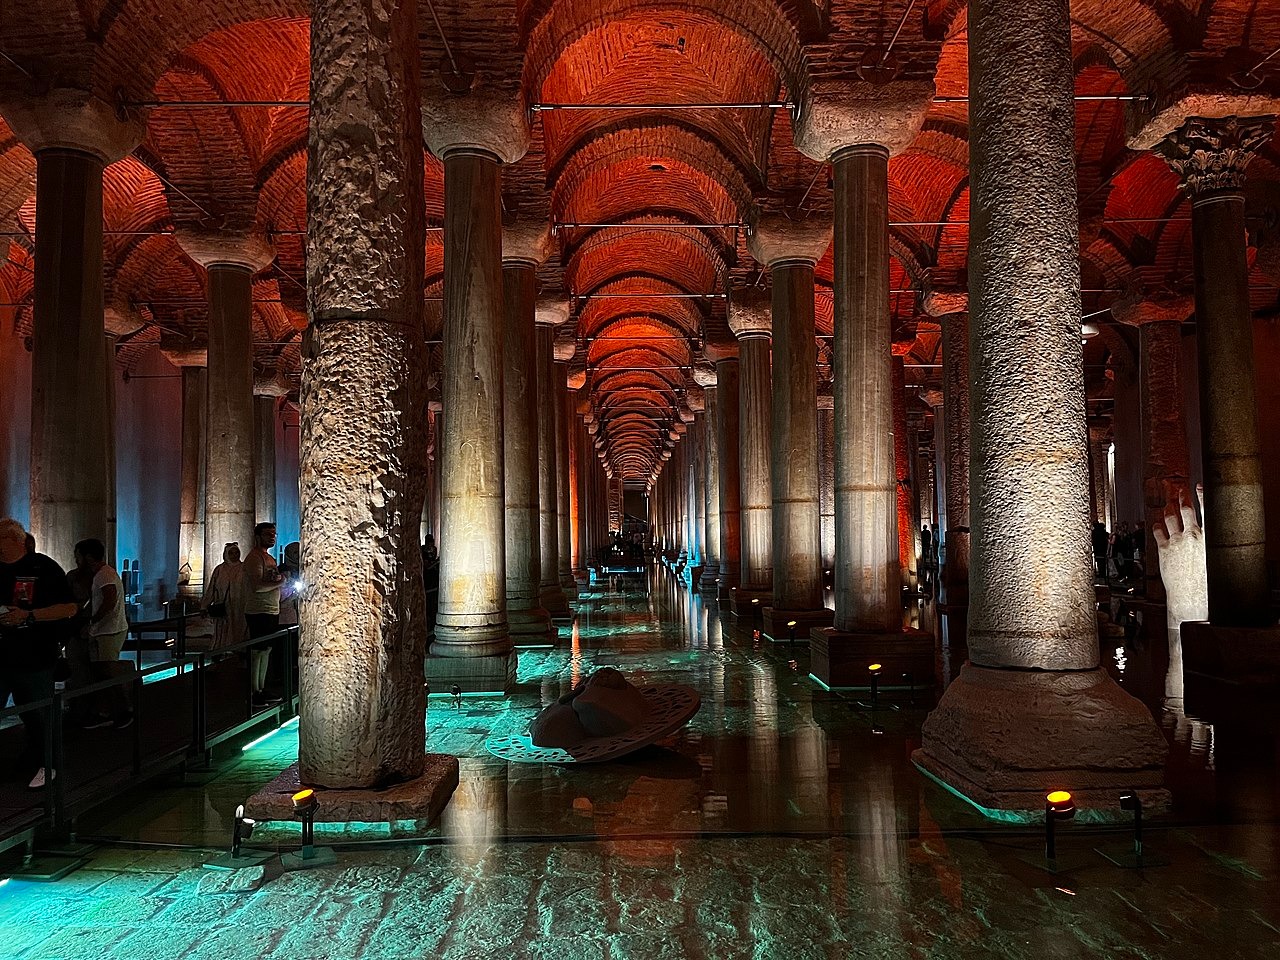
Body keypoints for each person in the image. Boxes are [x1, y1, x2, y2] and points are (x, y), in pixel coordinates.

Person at [0, 518, 77, 789]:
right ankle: (31, 757)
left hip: (34, 656)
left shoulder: (43, 568)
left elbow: (69, 607)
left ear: (14, 540)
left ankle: (50, 764)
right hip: (2, 655)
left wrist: (30, 615)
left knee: (39, 713)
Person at [74, 539, 134, 729]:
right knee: (103, 672)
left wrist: (92, 621)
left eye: (78, 556)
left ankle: (120, 711)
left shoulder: (103, 575)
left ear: (88, 557)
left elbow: (109, 600)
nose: (76, 560)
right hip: (109, 629)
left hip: (108, 631)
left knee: (107, 672)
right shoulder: (105, 573)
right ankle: (108, 711)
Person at [243, 522, 282, 705]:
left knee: (266, 650)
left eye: (273, 534)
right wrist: (281, 583)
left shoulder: (269, 558)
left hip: (271, 609)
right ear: (258, 536)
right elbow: (257, 586)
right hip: (259, 610)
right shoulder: (254, 558)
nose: (272, 537)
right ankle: (253, 691)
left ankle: (261, 688)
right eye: (267, 534)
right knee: (258, 652)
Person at [203, 542, 247, 651]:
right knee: (222, 630)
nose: (234, 555)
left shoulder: (244, 569)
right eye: (231, 553)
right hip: (222, 606)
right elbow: (211, 589)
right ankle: (219, 651)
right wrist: (204, 606)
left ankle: (238, 650)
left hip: (239, 607)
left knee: (238, 629)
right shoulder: (219, 570)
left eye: (236, 552)